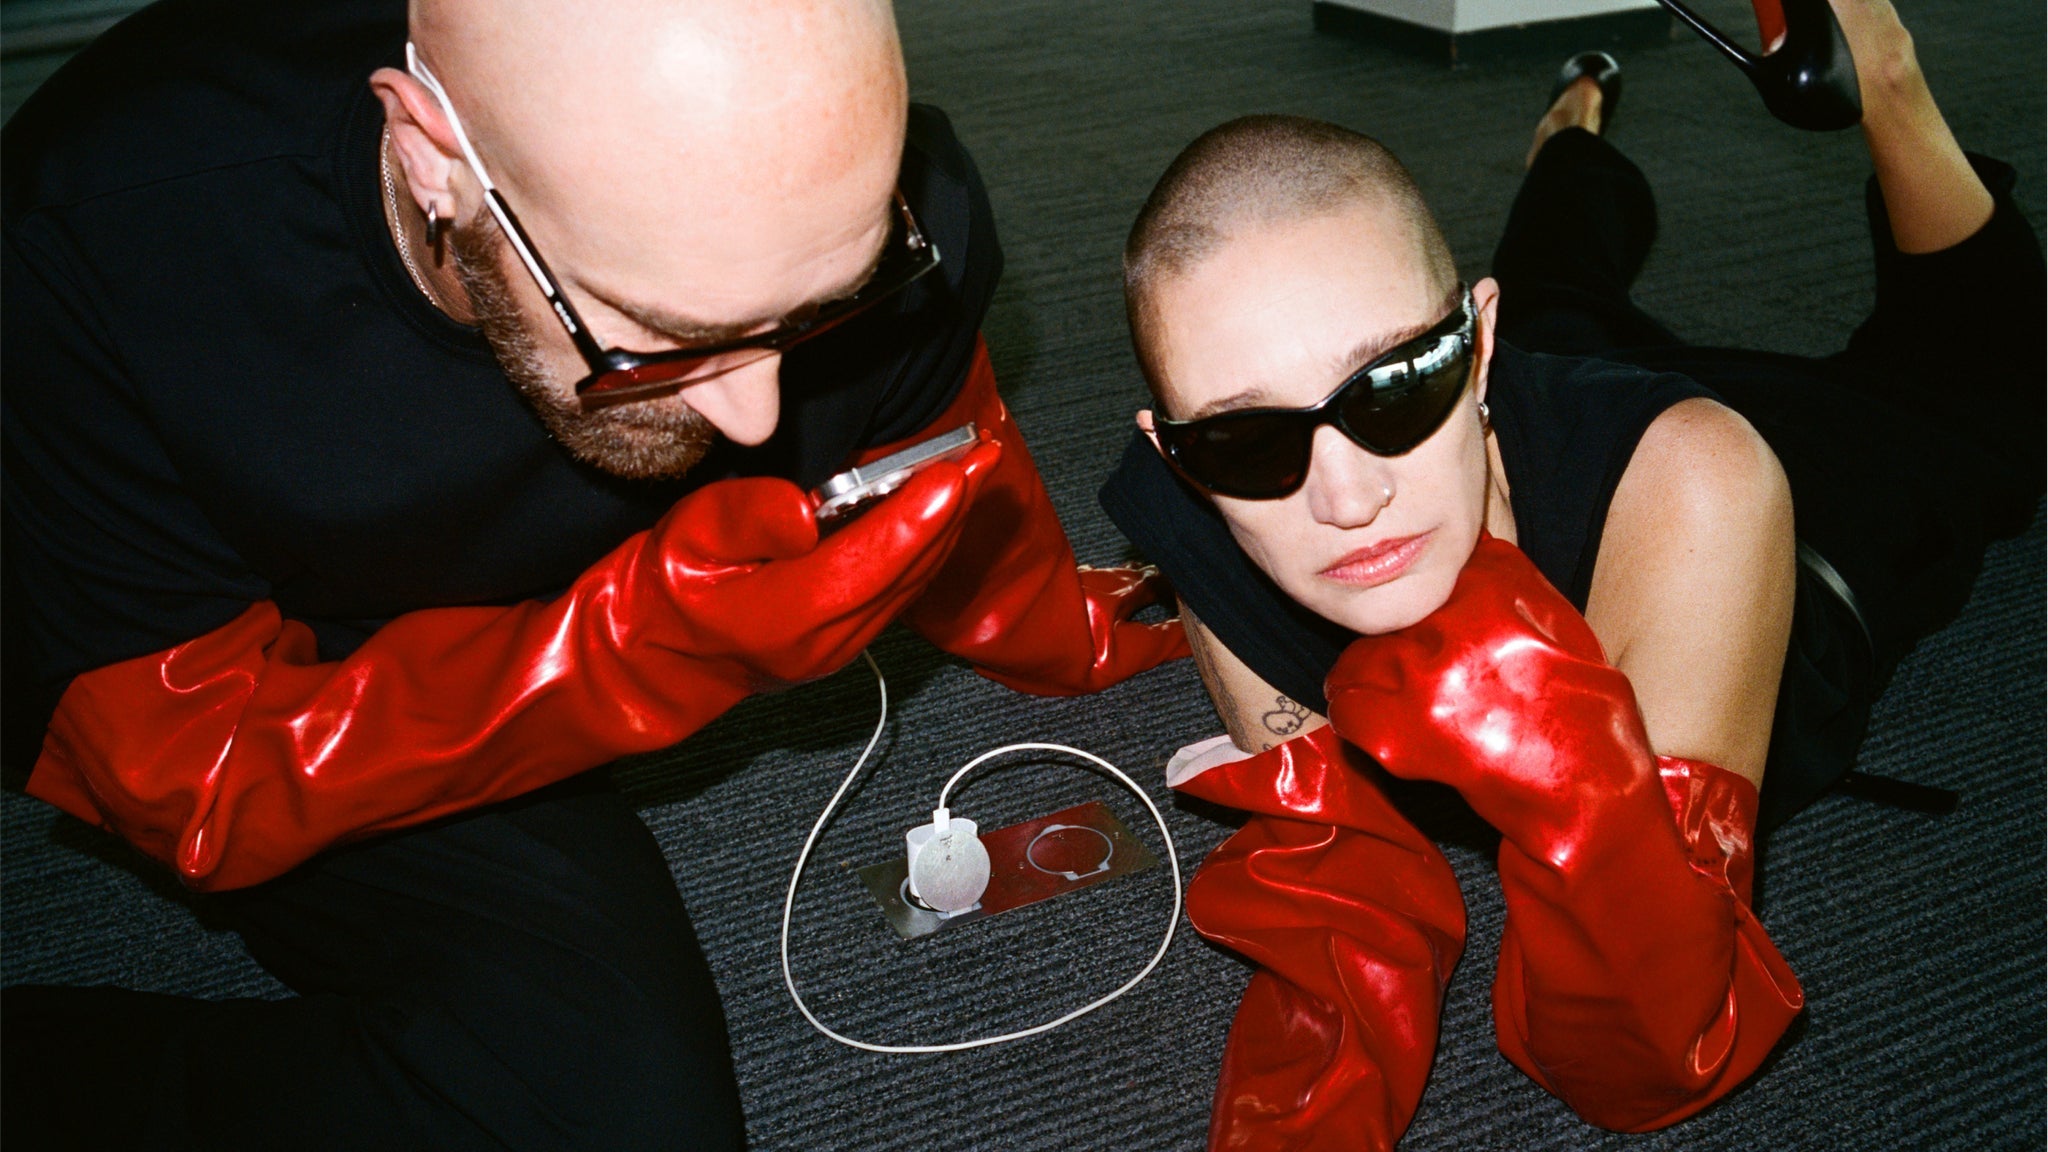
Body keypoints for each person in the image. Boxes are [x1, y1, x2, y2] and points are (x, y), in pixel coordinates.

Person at [0, 0, 1187, 1146]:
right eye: (661, 336)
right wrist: (628, 656)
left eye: (817, 308)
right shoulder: (94, 250)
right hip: (298, 674)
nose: (755, 412)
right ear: (432, 159)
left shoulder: (891, 201)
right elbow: (188, 779)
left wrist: (1059, 626)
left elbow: (935, 442)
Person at [1096, 0, 2043, 1146]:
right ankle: (1572, 129)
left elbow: (1644, 1058)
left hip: (1809, 487)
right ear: (1176, 450)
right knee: (1561, 288)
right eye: (1246, 440)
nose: (1343, 499)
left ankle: (1887, 77)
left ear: (1474, 346)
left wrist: (1558, 755)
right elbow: (1345, 895)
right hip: (1540, 395)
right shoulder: (1197, 502)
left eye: (1394, 383)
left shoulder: (1701, 484)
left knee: (1989, 394)